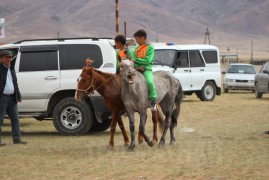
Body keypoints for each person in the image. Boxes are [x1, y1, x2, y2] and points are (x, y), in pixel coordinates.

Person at [0, 50, 27, 146]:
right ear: (1, 58)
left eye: (10, 57)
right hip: (2, 98)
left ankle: (17, 139)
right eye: (7, 57)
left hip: (12, 98)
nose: (9, 59)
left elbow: (15, 83)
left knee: (15, 119)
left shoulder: (11, 68)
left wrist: (18, 95)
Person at [132, 29, 157, 111]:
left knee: (149, 82)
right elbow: (133, 59)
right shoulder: (136, 48)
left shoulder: (150, 48)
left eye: (137, 39)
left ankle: (153, 100)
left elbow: (148, 60)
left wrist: (136, 60)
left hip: (146, 69)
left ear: (142, 38)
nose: (136, 41)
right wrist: (135, 63)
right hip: (136, 68)